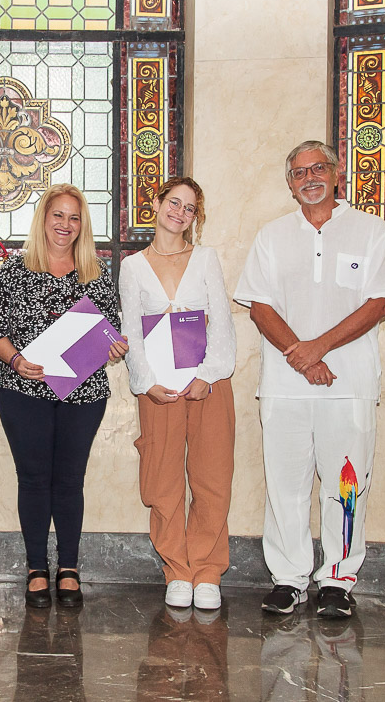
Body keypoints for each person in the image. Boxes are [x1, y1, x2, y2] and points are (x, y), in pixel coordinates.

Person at [234, 141, 385, 618]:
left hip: (349, 386)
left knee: (346, 485)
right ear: (290, 184)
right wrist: (304, 358)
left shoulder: (369, 231)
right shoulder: (272, 236)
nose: (309, 178)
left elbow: (378, 304)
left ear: (336, 172)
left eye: (318, 168)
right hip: (285, 386)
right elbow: (260, 307)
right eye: (299, 172)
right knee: (285, 486)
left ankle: (338, 579)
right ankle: (288, 579)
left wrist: (319, 347)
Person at [0, 183, 128, 608]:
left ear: (83, 225)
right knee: (32, 479)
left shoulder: (96, 273)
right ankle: (35, 568)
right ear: (43, 219)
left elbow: (110, 331)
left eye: (74, 217)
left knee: (69, 480)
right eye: (58, 215)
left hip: (84, 394)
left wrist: (115, 348)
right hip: (23, 390)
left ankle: (68, 567)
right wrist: (15, 360)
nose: (65, 224)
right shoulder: (14, 269)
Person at [120, 177, 236, 611]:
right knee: (162, 478)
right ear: (156, 204)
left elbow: (221, 320)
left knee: (211, 475)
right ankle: (177, 570)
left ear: (195, 218)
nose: (180, 212)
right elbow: (130, 328)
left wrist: (210, 374)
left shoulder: (205, 258)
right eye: (174, 202)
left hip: (208, 383)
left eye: (189, 208)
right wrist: (145, 382)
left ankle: (206, 571)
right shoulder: (133, 266)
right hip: (160, 388)